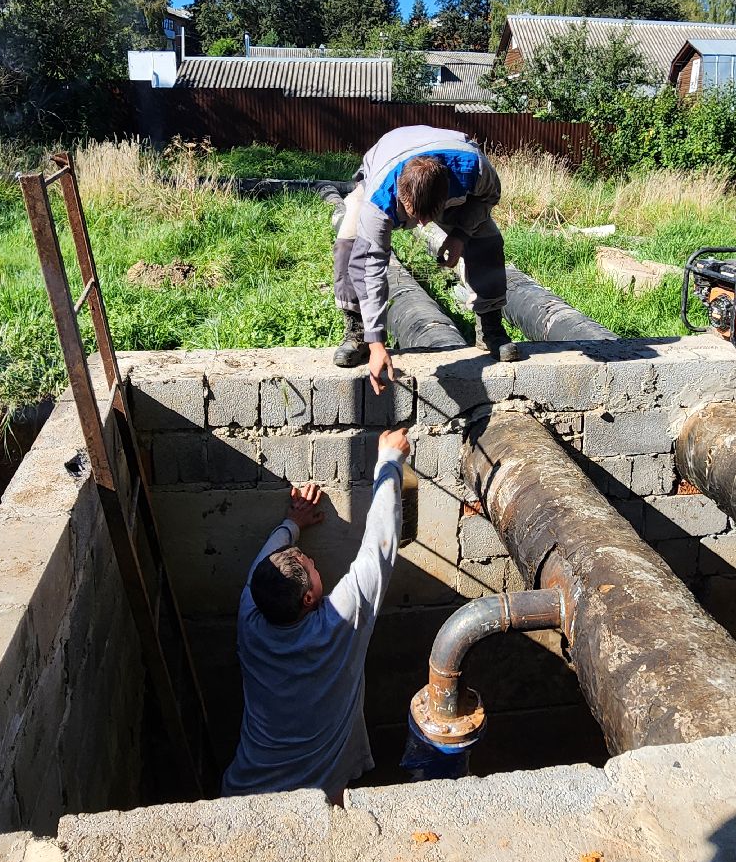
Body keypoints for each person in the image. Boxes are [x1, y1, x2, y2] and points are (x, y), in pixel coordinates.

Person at [222, 427, 410, 801]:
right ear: (309, 597)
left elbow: (262, 564)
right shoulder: (338, 624)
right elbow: (378, 549)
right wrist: (389, 461)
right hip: (316, 797)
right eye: (312, 567)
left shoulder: (250, 615)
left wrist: (292, 523)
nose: (312, 559)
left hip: (244, 792)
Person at [332, 125, 519, 392]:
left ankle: (490, 327)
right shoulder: (379, 198)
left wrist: (460, 235)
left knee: (487, 240)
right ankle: (358, 331)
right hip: (385, 161)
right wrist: (377, 344)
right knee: (350, 246)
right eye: (414, 215)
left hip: (450, 176)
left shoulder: (475, 169)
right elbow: (371, 268)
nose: (421, 224)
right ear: (400, 194)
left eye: (428, 216)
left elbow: (489, 197)